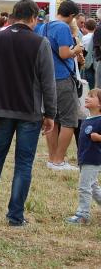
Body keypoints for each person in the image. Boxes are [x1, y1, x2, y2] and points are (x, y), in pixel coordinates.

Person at [0, 0, 56, 226]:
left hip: (0, 108)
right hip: (30, 110)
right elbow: (48, 82)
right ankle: (15, 216)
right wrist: (51, 114)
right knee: (24, 163)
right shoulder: (40, 42)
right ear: (34, 18)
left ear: (14, 15)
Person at [44, 0, 83, 171]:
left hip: (47, 78)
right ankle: (59, 160)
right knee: (69, 120)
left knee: (53, 120)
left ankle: (52, 158)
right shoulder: (63, 28)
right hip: (62, 79)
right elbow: (65, 53)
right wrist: (77, 50)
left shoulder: (45, 26)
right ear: (72, 15)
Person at [65, 89, 101, 224]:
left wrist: (99, 138)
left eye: (91, 97)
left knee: (84, 186)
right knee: (93, 187)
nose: (87, 98)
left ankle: (83, 215)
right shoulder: (87, 119)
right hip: (84, 158)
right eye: (87, 96)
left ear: (100, 104)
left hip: (93, 159)